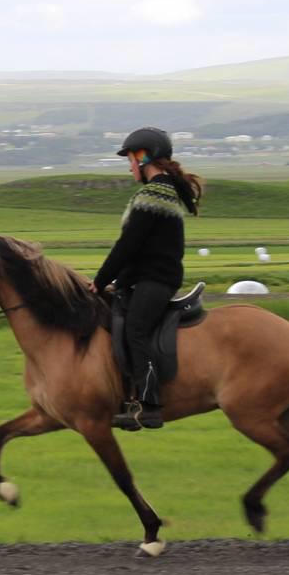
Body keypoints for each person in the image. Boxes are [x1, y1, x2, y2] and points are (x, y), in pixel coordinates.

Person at [90, 127, 203, 429]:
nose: (129, 167)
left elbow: (128, 245)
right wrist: (121, 282)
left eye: (129, 160)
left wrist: (99, 281)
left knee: (136, 330)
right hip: (152, 276)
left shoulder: (154, 193)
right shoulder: (163, 190)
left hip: (157, 280)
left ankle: (150, 406)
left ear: (143, 158)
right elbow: (143, 248)